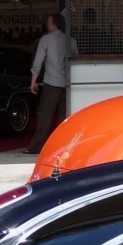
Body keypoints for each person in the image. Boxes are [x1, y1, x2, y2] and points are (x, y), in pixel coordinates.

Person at [25, 13, 78, 154]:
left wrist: (33, 81)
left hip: (51, 83)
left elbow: (38, 62)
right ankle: (62, 146)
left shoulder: (45, 40)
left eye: (48, 23)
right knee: (63, 118)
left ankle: (36, 147)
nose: (46, 25)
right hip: (67, 84)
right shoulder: (71, 40)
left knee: (45, 117)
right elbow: (75, 61)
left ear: (53, 24)